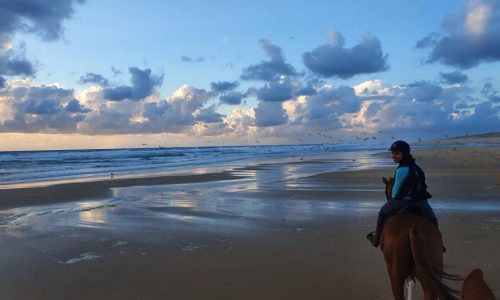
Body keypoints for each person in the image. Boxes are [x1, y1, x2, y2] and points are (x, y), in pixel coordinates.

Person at [366, 140, 438, 247]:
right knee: (433, 219)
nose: (393, 156)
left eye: (396, 153)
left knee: (382, 213)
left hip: (403, 202)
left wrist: (396, 198)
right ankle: (438, 244)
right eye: (392, 153)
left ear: (404, 154)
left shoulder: (402, 169)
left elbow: (395, 194)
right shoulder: (416, 167)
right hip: (420, 201)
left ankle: (376, 240)